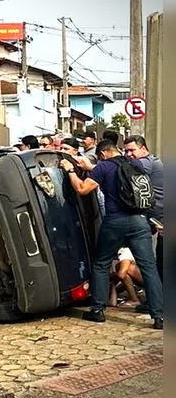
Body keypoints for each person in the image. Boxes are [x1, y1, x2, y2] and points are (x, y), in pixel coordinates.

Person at [59, 140, 163, 329]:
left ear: (102, 154)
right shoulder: (135, 164)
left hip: (115, 222)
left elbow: (82, 189)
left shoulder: (103, 167)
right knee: (149, 267)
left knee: (101, 263)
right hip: (139, 221)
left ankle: (97, 311)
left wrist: (70, 170)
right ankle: (159, 316)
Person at [124, 135, 163, 286]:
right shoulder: (151, 161)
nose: (129, 154)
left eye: (132, 150)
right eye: (126, 151)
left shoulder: (145, 163)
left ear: (144, 149)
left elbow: (121, 173)